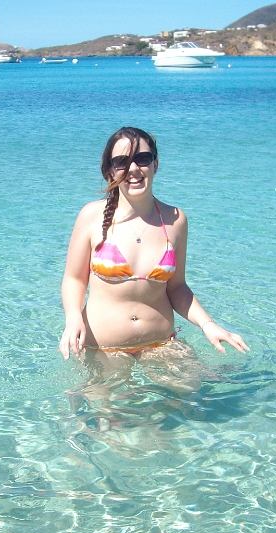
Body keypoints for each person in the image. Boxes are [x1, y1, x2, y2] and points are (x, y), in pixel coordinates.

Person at [59, 126, 249, 361]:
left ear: (155, 164)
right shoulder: (91, 216)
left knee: (205, 385)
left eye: (142, 158)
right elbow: (74, 279)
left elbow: (177, 288)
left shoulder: (176, 220)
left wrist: (208, 325)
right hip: (103, 349)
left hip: (161, 345)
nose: (133, 168)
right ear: (110, 171)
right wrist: (73, 319)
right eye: (122, 162)